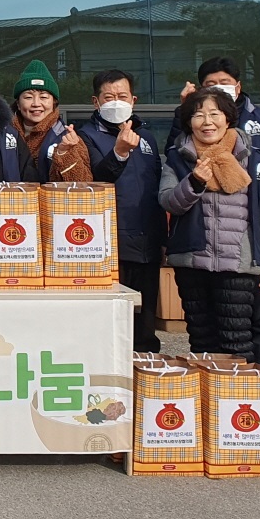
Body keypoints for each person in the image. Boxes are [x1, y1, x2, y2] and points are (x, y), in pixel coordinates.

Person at [166, 55, 260, 363]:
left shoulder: (255, 152)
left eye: (215, 113)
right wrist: (194, 181)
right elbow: (168, 198)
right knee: (201, 339)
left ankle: (244, 392)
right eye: (199, 114)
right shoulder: (180, 156)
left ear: (229, 115)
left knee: (241, 337)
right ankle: (208, 392)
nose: (207, 121)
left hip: (241, 260)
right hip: (194, 260)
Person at [77, 69, 167, 353]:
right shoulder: (85, 137)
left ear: (133, 100)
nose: (116, 102)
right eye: (109, 97)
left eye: (122, 96)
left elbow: (156, 189)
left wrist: (162, 238)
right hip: (110, 243)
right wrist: (119, 152)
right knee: (112, 323)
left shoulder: (147, 137)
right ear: (96, 102)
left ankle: (145, 372)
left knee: (145, 323)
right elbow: (95, 182)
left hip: (147, 243)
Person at [7, 59, 92, 183]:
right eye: (28, 97)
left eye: (43, 97)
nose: (36, 103)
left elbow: (83, 184)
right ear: (18, 104)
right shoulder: (4, 135)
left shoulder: (67, 138)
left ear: (54, 103)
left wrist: (65, 153)